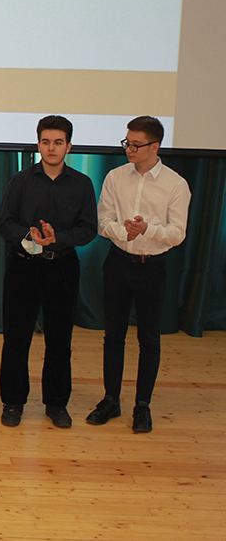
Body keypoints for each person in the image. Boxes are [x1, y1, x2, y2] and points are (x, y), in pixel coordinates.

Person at [86, 116, 190, 433]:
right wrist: (125, 232)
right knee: (113, 335)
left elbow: (178, 233)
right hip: (118, 262)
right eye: (127, 143)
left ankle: (142, 405)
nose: (129, 149)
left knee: (149, 337)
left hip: (153, 266)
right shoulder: (115, 177)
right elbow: (102, 220)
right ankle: (111, 399)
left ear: (155, 146)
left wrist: (147, 230)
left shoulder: (175, 184)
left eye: (135, 144)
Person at [0, 116, 97, 428]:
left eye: (58, 142)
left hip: (62, 266)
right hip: (23, 265)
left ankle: (56, 403)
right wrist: (30, 235)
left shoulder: (82, 184)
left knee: (59, 338)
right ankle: (13, 402)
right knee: (16, 337)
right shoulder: (20, 180)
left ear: (69, 146)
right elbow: (4, 224)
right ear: (38, 144)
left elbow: (89, 229)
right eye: (45, 142)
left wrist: (58, 238)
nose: (51, 148)